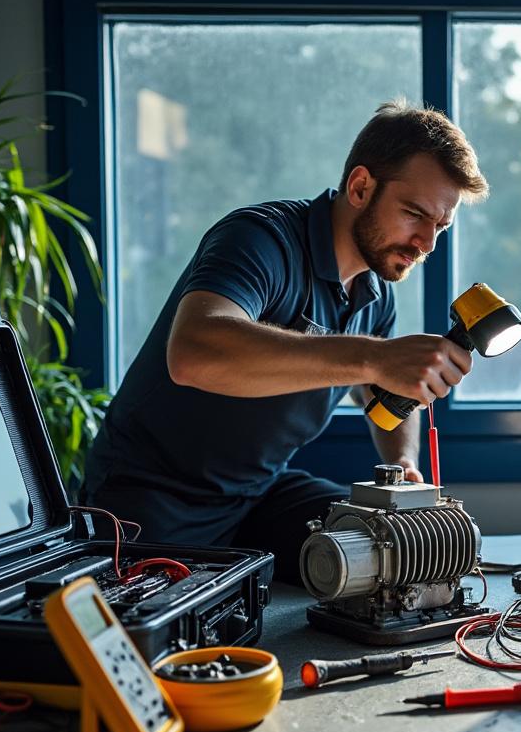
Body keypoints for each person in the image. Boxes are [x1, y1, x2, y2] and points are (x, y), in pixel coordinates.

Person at [81, 100, 487, 584]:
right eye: (414, 215)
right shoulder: (260, 238)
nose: (426, 243)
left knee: (392, 542)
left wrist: (402, 461)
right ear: (360, 186)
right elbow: (192, 354)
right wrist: (373, 358)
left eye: (440, 227)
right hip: (150, 498)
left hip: (258, 495)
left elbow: (384, 397)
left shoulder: (375, 295)